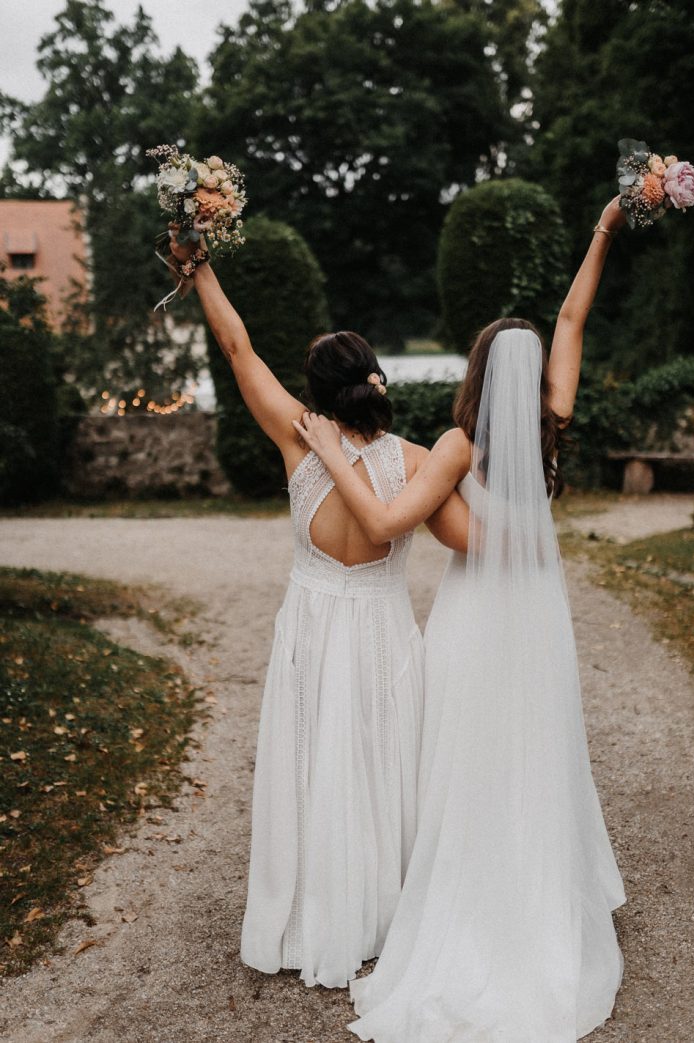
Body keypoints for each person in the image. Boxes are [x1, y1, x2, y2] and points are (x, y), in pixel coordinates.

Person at [292, 197, 628, 1040]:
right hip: (538, 620)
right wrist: (604, 230)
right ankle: (540, 896)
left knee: (467, 759)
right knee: (536, 749)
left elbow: (385, 525)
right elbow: (573, 314)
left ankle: (467, 898)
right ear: (537, 376)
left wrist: (332, 451)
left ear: (475, 370)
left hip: (476, 620)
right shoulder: (552, 427)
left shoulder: (454, 446)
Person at [165, 233, 468, 989]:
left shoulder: (297, 443)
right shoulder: (419, 462)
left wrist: (199, 270)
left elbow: (237, 349)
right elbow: (471, 540)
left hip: (311, 624)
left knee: (310, 763)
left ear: (317, 392)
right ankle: (382, 911)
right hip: (382, 627)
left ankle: (308, 906)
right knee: (382, 761)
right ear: (375, 380)